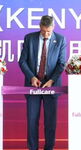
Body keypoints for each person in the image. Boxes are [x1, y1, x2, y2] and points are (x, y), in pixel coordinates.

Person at [19, 15, 66, 150]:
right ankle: (32, 148)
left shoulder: (61, 39)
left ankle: (49, 147)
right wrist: (31, 77)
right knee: (32, 121)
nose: (46, 34)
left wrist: (52, 80)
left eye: (49, 32)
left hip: (52, 86)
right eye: (44, 31)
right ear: (40, 27)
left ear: (53, 28)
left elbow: (61, 63)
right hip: (33, 85)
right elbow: (22, 61)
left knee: (50, 122)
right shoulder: (30, 38)